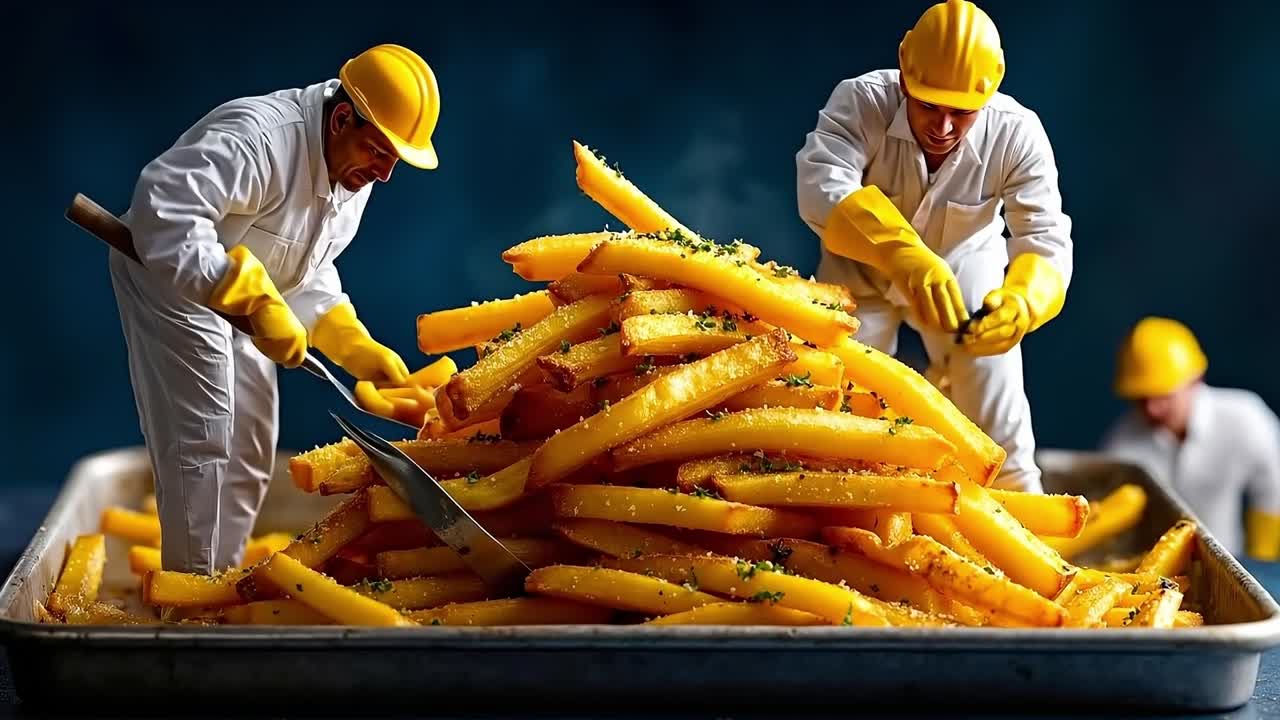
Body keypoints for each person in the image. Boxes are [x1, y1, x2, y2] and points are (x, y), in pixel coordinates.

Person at [109, 44, 441, 574]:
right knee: (204, 434)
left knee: (250, 446)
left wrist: (347, 338)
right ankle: (188, 595)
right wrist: (249, 296)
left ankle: (224, 577)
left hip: (249, 295)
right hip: (167, 277)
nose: (384, 174)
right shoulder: (259, 138)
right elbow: (163, 212)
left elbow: (302, 265)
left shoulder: (352, 170)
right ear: (341, 118)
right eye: (379, 152)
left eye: (395, 160)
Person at [795, 0, 1072, 492]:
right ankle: (836, 511)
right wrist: (900, 251)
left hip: (967, 272)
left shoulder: (1017, 133)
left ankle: (1024, 517)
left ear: (992, 88)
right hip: (858, 273)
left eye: (960, 113)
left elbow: (1044, 235)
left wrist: (1024, 302)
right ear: (904, 73)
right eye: (928, 105)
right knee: (837, 398)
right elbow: (821, 184)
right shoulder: (862, 100)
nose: (942, 128)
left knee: (996, 408)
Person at [1100, 317, 1280, 561]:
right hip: (1154, 565)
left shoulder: (1245, 419)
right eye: (1142, 399)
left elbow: (1273, 490)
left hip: (1233, 557)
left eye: (1164, 396)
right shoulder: (1121, 443)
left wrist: (1260, 560)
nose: (1153, 409)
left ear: (1196, 379)